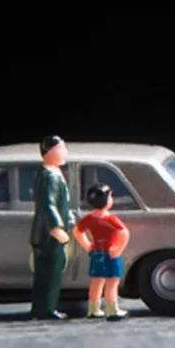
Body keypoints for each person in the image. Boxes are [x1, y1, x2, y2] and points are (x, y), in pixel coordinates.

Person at [29, 135, 74, 320]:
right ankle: (46, 309)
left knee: (49, 273)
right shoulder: (50, 176)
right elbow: (48, 204)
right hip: (48, 236)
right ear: (50, 151)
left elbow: (61, 203)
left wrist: (68, 218)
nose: (65, 152)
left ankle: (43, 308)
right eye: (61, 148)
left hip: (47, 234)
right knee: (49, 274)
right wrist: (56, 228)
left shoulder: (52, 173)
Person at [73, 184, 130, 320]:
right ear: (106, 200)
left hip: (96, 253)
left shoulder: (89, 218)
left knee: (97, 281)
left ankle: (93, 309)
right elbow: (124, 233)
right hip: (110, 254)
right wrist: (118, 249)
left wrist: (87, 246)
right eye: (110, 196)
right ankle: (112, 309)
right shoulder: (110, 219)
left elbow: (77, 231)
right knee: (112, 282)